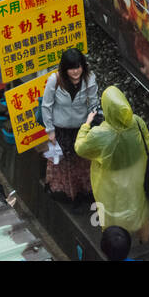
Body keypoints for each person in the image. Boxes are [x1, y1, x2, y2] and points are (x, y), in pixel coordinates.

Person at [75, 86, 149, 244]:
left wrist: (85, 126)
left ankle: (115, 246)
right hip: (135, 178)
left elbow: (80, 148)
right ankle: (145, 244)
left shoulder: (100, 134)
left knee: (110, 217)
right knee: (139, 213)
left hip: (109, 184)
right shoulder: (137, 121)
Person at [38, 47, 98, 209]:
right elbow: (46, 106)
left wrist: (92, 123)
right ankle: (66, 194)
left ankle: (85, 191)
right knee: (62, 163)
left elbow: (93, 103)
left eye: (78, 67)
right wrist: (50, 130)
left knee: (83, 160)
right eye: (71, 68)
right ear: (64, 69)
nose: (75, 71)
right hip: (60, 130)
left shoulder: (89, 79)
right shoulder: (54, 81)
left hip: (80, 128)